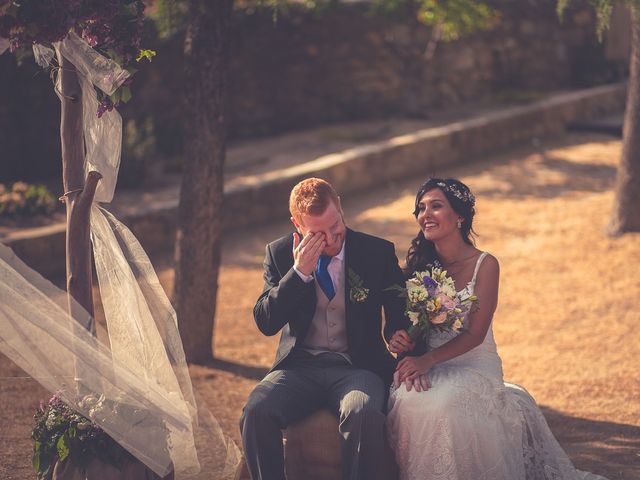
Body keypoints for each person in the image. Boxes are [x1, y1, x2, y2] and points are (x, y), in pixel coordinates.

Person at [386, 177, 608, 480]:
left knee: (445, 403)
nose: (426, 214)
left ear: (460, 216)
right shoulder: (418, 266)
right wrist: (401, 340)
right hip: (431, 363)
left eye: (436, 206)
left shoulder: (485, 264)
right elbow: (411, 325)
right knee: (407, 398)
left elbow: (475, 334)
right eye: (420, 208)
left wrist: (427, 361)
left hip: (473, 363)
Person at [241, 177, 407, 480]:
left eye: (335, 225)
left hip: (357, 368)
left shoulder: (376, 252)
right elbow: (266, 322)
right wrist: (299, 273)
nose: (332, 239)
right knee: (256, 411)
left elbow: (399, 308)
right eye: (318, 233)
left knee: (364, 412)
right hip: (298, 368)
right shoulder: (279, 254)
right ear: (297, 225)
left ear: (340, 207)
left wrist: (396, 331)